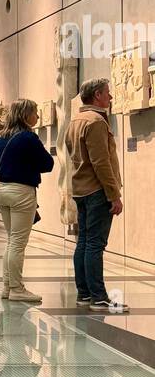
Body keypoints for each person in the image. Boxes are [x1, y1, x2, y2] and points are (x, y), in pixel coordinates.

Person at [65, 78, 128, 313]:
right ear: (98, 95)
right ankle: (98, 297)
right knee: (94, 244)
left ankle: (84, 292)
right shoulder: (96, 122)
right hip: (96, 190)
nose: (111, 98)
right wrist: (114, 194)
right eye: (108, 94)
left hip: (80, 189)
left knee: (83, 242)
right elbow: (101, 162)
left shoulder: (75, 121)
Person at [0, 99, 54, 304]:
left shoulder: (1, 137)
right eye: (34, 112)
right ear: (25, 115)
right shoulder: (29, 137)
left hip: (1, 190)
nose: (37, 116)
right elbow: (48, 164)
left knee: (11, 241)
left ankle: (7, 286)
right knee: (18, 243)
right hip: (21, 192)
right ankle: (17, 288)